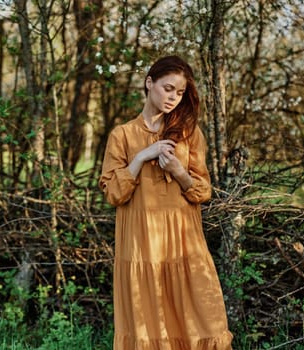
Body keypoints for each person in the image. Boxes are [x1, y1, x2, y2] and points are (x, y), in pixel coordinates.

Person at [99, 55, 233, 349]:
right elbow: (113, 193)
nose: (173, 97)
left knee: (203, 319)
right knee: (149, 324)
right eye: (167, 88)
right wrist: (140, 157)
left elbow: (202, 191)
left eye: (180, 92)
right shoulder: (122, 135)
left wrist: (178, 172)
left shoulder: (189, 134)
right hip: (141, 245)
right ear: (149, 83)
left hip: (184, 242)